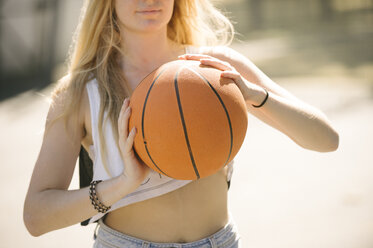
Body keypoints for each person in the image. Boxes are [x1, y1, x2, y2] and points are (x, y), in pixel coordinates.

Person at [23, 0, 339, 247]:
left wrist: (256, 96)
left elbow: (326, 139)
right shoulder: (80, 91)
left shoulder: (217, 68)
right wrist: (120, 186)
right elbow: (36, 216)